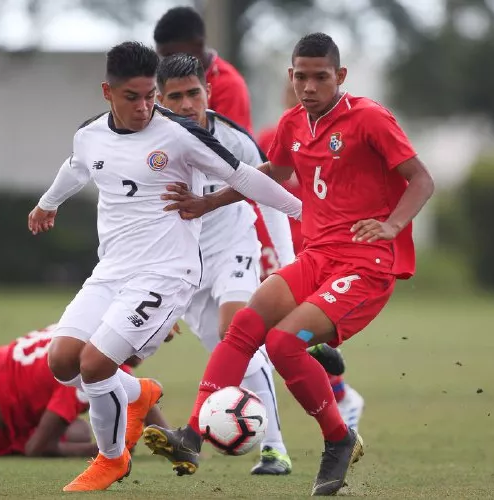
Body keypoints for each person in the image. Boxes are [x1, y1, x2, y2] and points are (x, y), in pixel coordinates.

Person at [143, 33, 435, 496]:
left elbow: (421, 179)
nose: (310, 86)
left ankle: (338, 439)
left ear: (340, 77)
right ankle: (193, 435)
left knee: (282, 345)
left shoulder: (369, 118)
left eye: (321, 77)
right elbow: (270, 176)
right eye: (301, 76)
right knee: (243, 327)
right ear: (291, 77)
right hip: (318, 257)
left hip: (365, 266)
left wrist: (393, 226)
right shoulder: (293, 124)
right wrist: (210, 202)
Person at [27, 41, 301, 492]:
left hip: (168, 274)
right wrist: (47, 203)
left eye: (151, 96)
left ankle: (111, 460)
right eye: (132, 97)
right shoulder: (90, 134)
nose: (145, 107)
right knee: (62, 362)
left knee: (95, 366)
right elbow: (77, 167)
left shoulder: (178, 134)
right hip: (111, 271)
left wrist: (301, 213)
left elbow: (247, 177)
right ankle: (139, 394)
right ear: (107, 92)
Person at [155, 53, 292, 475]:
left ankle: (274, 448)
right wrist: (157, 293)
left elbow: (269, 195)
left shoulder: (234, 139)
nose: (186, 104)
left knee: (235, 332)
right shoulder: (149, 145)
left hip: (233, 245)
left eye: (193, 93)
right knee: (229, 354)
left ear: (208, 92)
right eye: (174, 96)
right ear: (159, 100)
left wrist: (288, 264)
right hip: (184, 267)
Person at [153, 5, 292, 280]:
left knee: (262, 296)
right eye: (162, 57)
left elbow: (225, 157)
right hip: (195, 209)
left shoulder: (229, 86)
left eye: (171, 55)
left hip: (232, 207)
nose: (166, 64)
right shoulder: (172, 84)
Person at [257, 81, 365, 431]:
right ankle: (334, 382)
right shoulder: (272, 138)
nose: (301, 97)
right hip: (280, 246)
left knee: (286, 331)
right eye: (292, 90)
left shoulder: (337, 141)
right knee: (270, 327)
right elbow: (260, 193)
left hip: (318, 246)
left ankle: (339, 393)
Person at [0, 325, 143, 458]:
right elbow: (37, 448)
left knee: (76, 429)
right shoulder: (91, 365)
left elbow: (142, 397)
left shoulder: (80, 325)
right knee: (77, 435)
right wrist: (104, 451)